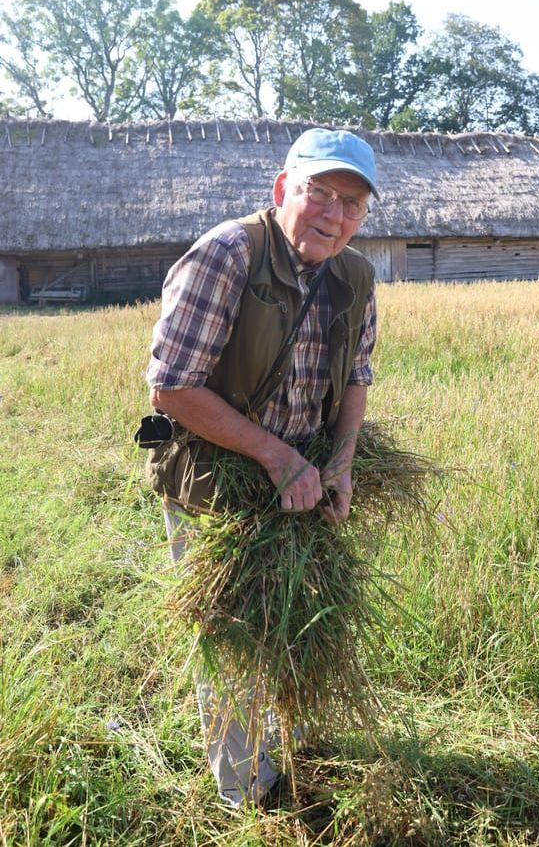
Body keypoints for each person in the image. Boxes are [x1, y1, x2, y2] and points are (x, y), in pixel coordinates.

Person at [144, 127, 379, 808]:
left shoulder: (355, 276)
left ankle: (293, 738)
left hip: (301, 478)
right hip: (215, 478)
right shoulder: (226, 256)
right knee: (230, 633)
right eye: (320, 194)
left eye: (352, 205)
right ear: (283, 190)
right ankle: (246, 788)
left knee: (295, 615)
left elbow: (357, 376)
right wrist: (277, 457)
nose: (335, 215)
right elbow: (172, 387)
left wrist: (339, 465)